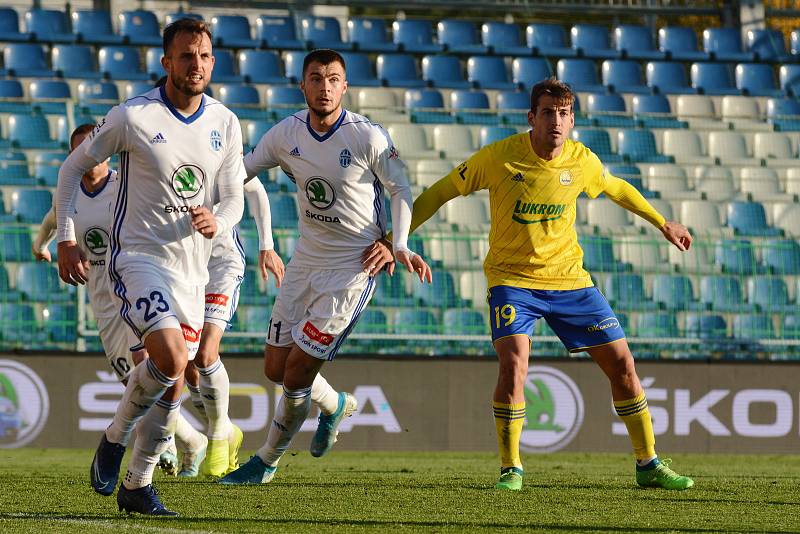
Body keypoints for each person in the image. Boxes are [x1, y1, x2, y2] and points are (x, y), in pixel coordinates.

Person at [402, 77, 695, 491]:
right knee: (515, 361)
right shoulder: (500, 157)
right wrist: (398, 238)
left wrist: (663, 222)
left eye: (563, 114)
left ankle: (648, 463)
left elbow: (618, 189)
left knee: (624, 366)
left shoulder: (581, 161)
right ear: (531, 117)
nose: (556, 122)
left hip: (571, 281)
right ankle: (511, 468)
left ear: (572, 120)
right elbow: (441, 191)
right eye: (547, 113)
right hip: (512, 281)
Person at [56, 18, 244, 516]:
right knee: (172, 357)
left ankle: (136, 485)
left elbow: (234, 199)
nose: (196, 65)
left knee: (172, 378)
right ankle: (116, 439)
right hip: (136, 257)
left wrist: (218, 221)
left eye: (204, 56)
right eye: (186, 56)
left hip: (192, 269)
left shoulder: (225, 122)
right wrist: (67, 239)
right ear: (166, 63)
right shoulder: (132, 116)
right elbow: (72, 168)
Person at [220, 49, 431, 485]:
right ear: (303, 86)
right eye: (316, 78)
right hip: (305, 261)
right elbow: (241, 172)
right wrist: (203, 201)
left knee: (296, 374)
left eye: (333, 79)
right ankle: (335, 405)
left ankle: (265, 462)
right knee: (274, 368)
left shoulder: (366, 137)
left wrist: (398, 243)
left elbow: (401, 188)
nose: (325, 87)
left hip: (353, 268)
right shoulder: (286, 133)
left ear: (345, 86)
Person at [34, 125, 209, 478]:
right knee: (133, 380)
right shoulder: (68, 195)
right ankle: (192, 440)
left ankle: (166, 446)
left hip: (134, 282)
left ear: (107, 152)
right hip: (101, 297)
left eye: (92, 147)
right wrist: (41, 246)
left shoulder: (124, 186)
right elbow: (53, 221)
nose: (88, 156)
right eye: (78, 150)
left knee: (150, 360)